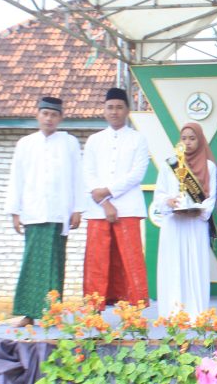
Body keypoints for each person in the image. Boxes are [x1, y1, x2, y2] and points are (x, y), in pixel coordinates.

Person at [5, 97, 84, 326]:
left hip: (59, 213)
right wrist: (15, 212)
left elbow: (78, 176)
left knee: (55, 265)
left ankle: (53, 314)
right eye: (45, 114)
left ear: (60, 118)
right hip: (33, 212)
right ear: (37, 115)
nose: (49, 118)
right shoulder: (25, 143)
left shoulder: (69, 143)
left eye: (54, 115)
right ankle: (28, 314)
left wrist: (78, 209)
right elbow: (16, 177)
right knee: (31, 264)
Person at [83, 88, 150, 309]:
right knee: (97, 260)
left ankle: (133, 315)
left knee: (130, 260)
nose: (114, 112)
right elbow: (88, 174)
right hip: (97, 210)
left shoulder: (138, 139)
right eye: (110, 107)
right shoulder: (94, 140)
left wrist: (108, 191)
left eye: (119, 107)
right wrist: (105, 203)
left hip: (128, 208)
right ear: (104, 110)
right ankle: (94, 314)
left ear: (127, 111)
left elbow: (137, 174)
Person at [154, 123, 216, 320]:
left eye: (192, 138)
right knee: (174, 265)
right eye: (184, 138)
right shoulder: (170, 165)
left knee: (195, 266)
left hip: (195, 224)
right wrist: (169, 202)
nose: (188, 142)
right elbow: (159, 195)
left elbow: (212, 198)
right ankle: (173, 312)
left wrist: (198, 210)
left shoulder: (209, 167)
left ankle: (196, 313)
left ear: (200, 140)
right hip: (173, 224)